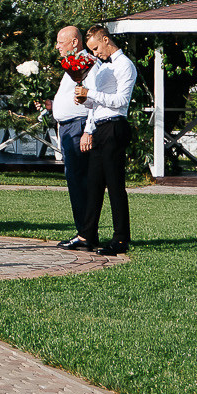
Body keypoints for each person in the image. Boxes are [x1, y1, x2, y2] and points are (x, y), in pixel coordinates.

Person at [77, 26, 135, 256]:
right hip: (100, 127)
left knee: (115, 186)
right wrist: (85, 100)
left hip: (115, 127)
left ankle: (121, 238)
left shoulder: (124, 65)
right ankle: (87, 234)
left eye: (96, 48)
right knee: (93, 185)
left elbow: (121, 101)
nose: (95, 54)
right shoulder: (103, 68)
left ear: (106, 39)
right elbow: (99, 103)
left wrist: (90, 94)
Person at [47, 27, 95, 250]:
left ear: (75, 42)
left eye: (60, 42)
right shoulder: (72, 65)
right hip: (66, 128)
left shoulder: (86, 63)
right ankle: (83, 231)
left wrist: (88, 130)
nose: (57, 46)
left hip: (78, 127)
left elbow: (89, 99)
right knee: (74, 181)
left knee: (79, 181)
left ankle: (86, 235)